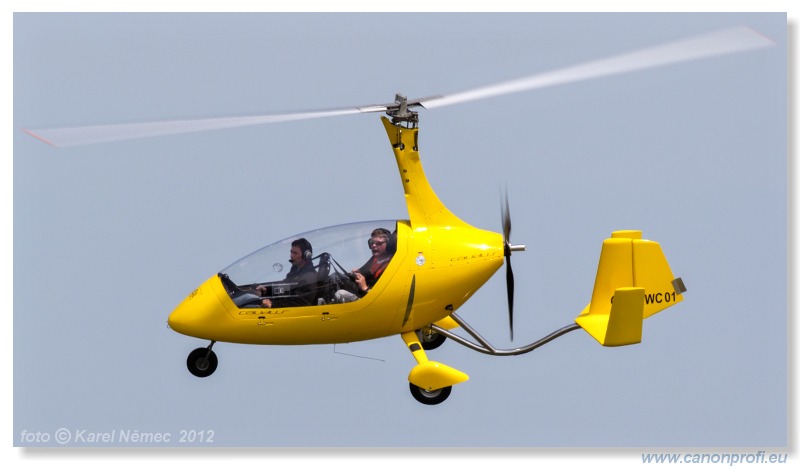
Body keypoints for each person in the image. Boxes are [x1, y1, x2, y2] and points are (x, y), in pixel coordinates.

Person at [335, 228, 394, 303]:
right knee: (336, 277)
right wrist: (360, 273)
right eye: (372, 243)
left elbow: (387, 298)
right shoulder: (374, 259)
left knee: (341, 294)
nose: (374, 246)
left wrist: (365, 288)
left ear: (389, 244)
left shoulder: (392, 265)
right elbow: (369, 276)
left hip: (371, 302)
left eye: (379, 243)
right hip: (363, 295)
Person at [257, 238, 317, 308]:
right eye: (291, 252)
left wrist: (273, 305)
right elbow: (285, 288)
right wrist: (267, 290)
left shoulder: (309, 277)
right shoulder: (295, 270)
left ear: (307, 255)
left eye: (295, 253)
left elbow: (300, 303)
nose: (291, 255)